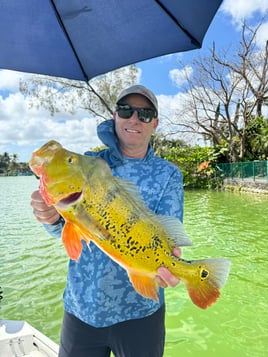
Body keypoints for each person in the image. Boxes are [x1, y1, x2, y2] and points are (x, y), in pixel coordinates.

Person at [31, 85, 184, 357]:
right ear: (115, 116)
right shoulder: (88, 163)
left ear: (155, 123)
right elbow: (65, 231)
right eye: (126, 111)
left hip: (141, 314)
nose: (134, 119)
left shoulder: (169, 175)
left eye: (145, 114)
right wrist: (51, 218)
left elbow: (168, 233)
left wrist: (171, 263)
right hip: (82, 309)